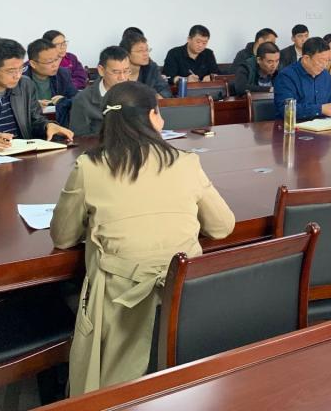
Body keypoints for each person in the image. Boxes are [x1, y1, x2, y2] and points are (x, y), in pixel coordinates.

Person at [51, 81, 235, 396]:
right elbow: (222, 226)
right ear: (151, 116)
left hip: (118, 299)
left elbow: (63, 236)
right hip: (186, 297)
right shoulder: (185, 162)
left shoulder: (89, 167)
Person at [274, 37, 331, 120]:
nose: (324, 65)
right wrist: (320, 109)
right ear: (306, 59)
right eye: (321, 61)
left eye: (327, 61)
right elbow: (287, 109)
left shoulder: (326, 76)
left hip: (322, 125)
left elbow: (330, 103)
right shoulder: (286, 76)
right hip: (293, 126)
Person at [69, 46, 132, 137]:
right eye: (116, 72)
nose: (122, 78)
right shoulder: (83, 100)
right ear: (101, 70)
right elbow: (79, 139)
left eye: (126, 71)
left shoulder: (137, 94)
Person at [23, 38, 78, 126]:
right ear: (33, 64)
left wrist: (63, 101)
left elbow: (77, 100)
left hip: (58, 124)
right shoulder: (21, 78)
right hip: (30, 125)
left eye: (57, 59)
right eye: (49, 62)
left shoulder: (63, 74)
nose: (55, 65)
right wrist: (34, 106)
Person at [120, 32, 171, 98]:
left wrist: (158, 96)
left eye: (147, 50)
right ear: (127, 53)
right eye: (140, 51)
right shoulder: (117, 70)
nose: (146, 54)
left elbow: (166, 91)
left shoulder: (151, 67)